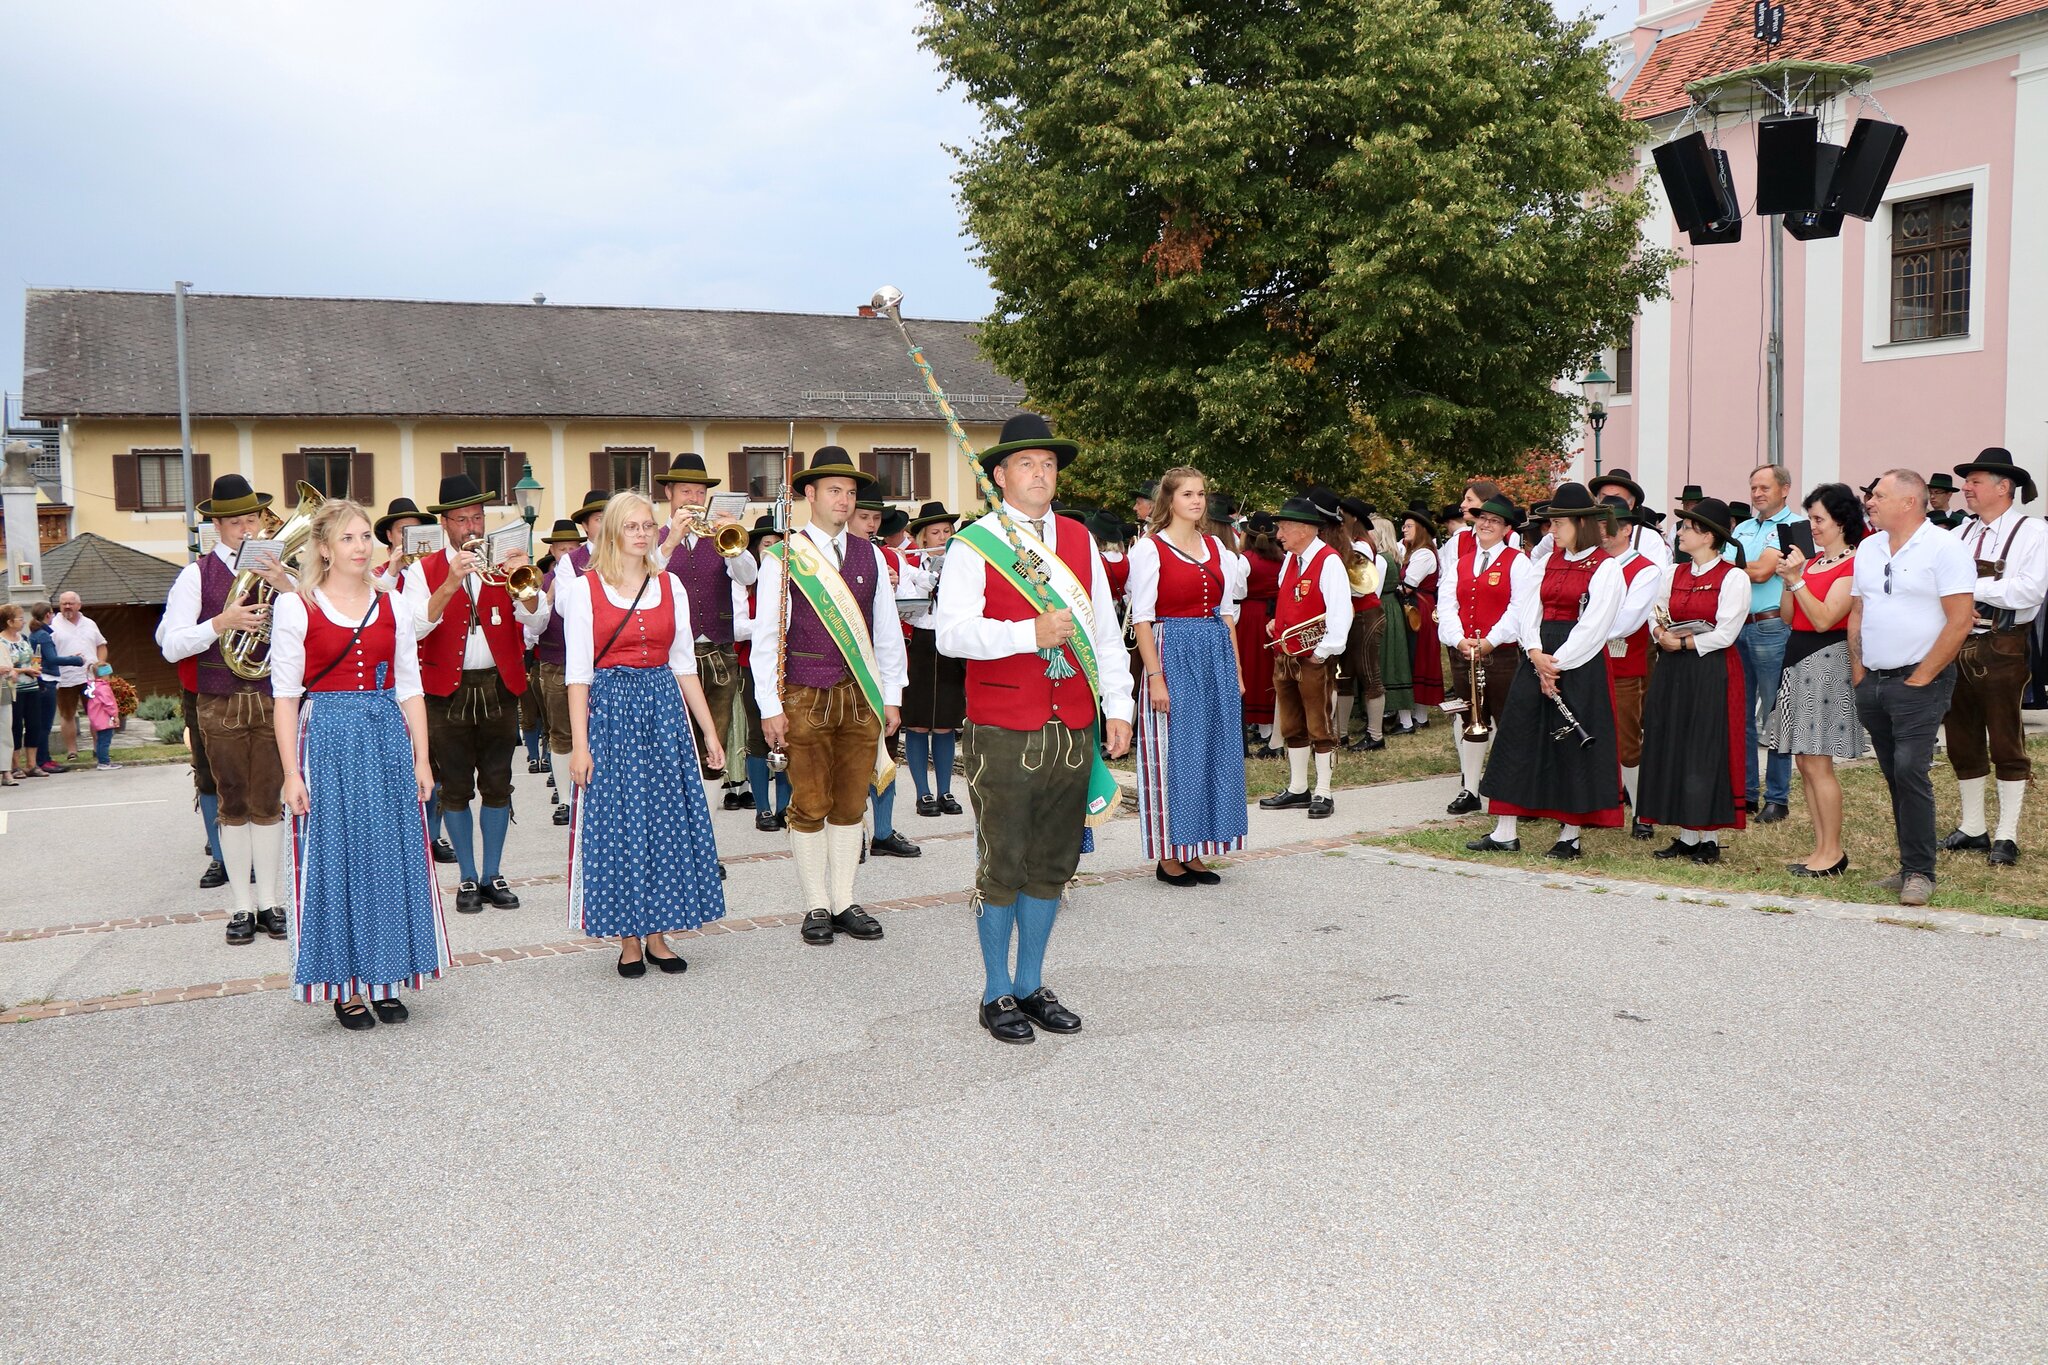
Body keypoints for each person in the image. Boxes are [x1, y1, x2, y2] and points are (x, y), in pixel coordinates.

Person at [934, 413, 1133, 1044]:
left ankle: (1031, 984)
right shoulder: (975, 543)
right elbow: (951, 633)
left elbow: (1104, 629)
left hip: (1072, 721)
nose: (1040, 473)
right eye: (1026, 463)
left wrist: (1119, 706)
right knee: (1004, 864)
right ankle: (996, 992)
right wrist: (1027, 633)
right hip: (1004, 725)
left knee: (1052, 863)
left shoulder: (1077, 540)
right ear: (1000, 476)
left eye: (1047, 464)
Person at [269, 498, 448, 1030]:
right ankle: (345, 987)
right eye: (348, 538)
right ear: (323, 549)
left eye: (366, 536)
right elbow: (284, 696)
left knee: (390, 858)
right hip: (326, 737)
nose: (360, 546)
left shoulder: (392, 603)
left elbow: (410, 687)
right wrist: (291, 773)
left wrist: (422, 757)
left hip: (386, 735)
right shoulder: (297, 606)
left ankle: (386, 975)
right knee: (337, 860)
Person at [562, 493, 728, 976]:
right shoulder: (584, 588)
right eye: (631, 525)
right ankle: (628, 939)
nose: (641, 533)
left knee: (664, 822)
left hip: (662, 711)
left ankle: (659, 933)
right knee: (619, 826)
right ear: (612, 531)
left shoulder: (670, 584)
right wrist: (580, 745)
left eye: (648, 525)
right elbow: (578, 675)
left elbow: (684, 666)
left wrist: (710, 733)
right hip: (611, 714)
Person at [750, 447, 907, 947]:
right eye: (834, 491)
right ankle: (815, 903)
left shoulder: (872, 555)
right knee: (810, 801)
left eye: (851, 492)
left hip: (861, 696)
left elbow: (885, 632)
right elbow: (767, 639)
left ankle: (843, 900)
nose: (844, 500)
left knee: (849, 801)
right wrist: (770, 706)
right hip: (803, 695)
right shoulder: (783, 557)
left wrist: (892, 696)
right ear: (810, 495)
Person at [399, 473, 548, 914]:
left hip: (500, 687)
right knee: (456, 788)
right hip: (446, 691)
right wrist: (449, 581)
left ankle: (492, 874)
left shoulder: (505, 564)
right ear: (445, 524)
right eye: (462, 519)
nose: (472, 527)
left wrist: (528, 582)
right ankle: (466, 876)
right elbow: (415, 628)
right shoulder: (420, 572)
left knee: (499, 784)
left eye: (478, 517)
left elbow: (536, 625)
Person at [159, 475, 296, 945]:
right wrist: (221, 622)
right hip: (219, 703)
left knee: (270, 802)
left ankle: (271, 902)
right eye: (235, 522)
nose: (245, 529)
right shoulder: (196, 574)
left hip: (272, 699)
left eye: (252, 519)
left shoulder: (281, 570)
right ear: (217, 526)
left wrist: (288, 587)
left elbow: (315, 629)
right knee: (233, 803)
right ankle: (241, 904)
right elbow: (170, 644)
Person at [1468, 483, 1626, 859]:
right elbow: (1527, 609)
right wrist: (1536, 652)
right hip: (1538, 656)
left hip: (1579, 664)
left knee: (1570, 745)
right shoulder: (1547, 561)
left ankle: (1569, 834)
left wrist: (1557, 663)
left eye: (1558, 523)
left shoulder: (1606, 569)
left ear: (1581, 523)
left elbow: (1595, 626)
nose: (1551, 531)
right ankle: (1505, 830)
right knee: (1519, 737)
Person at [1849, 470, 1977, 908]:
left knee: (1909, 768)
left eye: (1879, 495)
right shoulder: (1868, 548)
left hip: (1921, 680)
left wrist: (1922, 676)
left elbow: (1961, 620)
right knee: (1893, 772)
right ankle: (1909, 865)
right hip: (1874, 680)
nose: (1870, 501)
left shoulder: (1944, 548)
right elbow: (1858, 610)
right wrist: (1858, 670)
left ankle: (1921, 872)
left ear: (1909, 501)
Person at [1130, 466, 1248, 886]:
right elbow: (1142, 619)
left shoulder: (1217, 547)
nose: (1196, 501)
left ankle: (1197, 848)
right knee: (1174, 753)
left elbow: (1228, 613)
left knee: (1212, 749)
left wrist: (1235, 669)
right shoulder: (1150, 549)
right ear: (1170, 500)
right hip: (1171, 650)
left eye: (1200, 494)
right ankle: (1169, 854)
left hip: (1215, 651)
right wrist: (1155, 677)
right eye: (1187, 494)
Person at [1936, 448, 2048, 866]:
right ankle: (1973, 827)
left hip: (2004, 644)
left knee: (2005, 738)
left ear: (2004, 488)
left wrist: (1969, 593)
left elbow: (2029, 590)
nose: (1966, 487)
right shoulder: (1958, 534)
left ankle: (2007, 834)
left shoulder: (2032, 532)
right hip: (1957, 643)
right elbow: (1936, 581)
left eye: (1975, 481)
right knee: (1961, 737)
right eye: (1967, 481)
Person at [1637, 498, 1751, 863]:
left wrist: (1681, 641)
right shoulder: (1672, 573)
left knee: (1707, 746)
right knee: (1677, 743)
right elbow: (1656, 613)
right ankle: (1687, 836)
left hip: (1710, 669)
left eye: (1687, 527)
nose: (1681, 532)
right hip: (1673, 669)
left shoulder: (1733, 577)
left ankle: (1710, 838)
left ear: (1708, 535)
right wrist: (1660, 634)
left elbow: (1726, 633)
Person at [1763, 483, 1868, 878]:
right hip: (1798, 659)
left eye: (1818, 519)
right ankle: (1820, 848)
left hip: (1826, 661)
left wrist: (1798, 581)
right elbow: (1790, 616)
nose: (1813, 527)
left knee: (1819, 762)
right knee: (1805, 762)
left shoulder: (1852, 564)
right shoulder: (1811, 564)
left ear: (1842, 520)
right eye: (1811, 519)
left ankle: (1834, 852)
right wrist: (1792, 578)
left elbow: (1826, 618)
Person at [656, 454, 758, 787]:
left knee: (716, 748)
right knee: (673, 747)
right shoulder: (652, 539)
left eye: (700, 493)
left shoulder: (717, 537)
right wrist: (670, 542)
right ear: (669, 493)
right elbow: (644, 579)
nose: (694, 500)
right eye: (686, 491)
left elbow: (748, 576)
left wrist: (732, 542)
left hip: (719, 652)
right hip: (669, 658)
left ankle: (708, 829)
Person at [1256, 496, 1355, 818]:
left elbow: (1341, 612)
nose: (1279, 535)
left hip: (1313, 657)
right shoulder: (1291, 560)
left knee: (1319, 722)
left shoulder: (1328, 561)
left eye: (1284, 528)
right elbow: (1292, 601)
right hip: (1286, 654)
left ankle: (1324, 790)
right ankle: (1299, 787)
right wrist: (1277, 622)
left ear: (1304, 529)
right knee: (1292, 723)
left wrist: (1323, 651)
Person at [1439, 496, 1533, 816]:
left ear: (1507, 528)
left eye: (1495, 520)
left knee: (1506, 721)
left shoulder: (1517, 562)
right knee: (1471, 721)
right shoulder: (1460, 562)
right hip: (1465, 653)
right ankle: (1471, 789)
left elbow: (1519, 609)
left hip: (1502, 656)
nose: (1486, 524)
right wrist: (1458, 639)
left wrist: (1492, 640)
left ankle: (1513, 789)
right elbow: (1447, 605)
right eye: (1482, 518)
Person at [1728, 465, 1803, 824]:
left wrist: (1733, 569)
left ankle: (1777, 797)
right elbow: (1749, 569)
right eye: (1753, 486)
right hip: (1738, 626)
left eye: (1764, 487)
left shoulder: (1793, 526)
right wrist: (1745, 567)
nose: (1757, 493)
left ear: (1785, 489)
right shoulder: (1743, 527)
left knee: (1776, 714)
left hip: (1772, 626)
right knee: (1740, 713)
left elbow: (1759, 573)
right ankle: (1745, 793)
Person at [851, 497, 919, 859]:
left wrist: (895, 586)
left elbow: (909, 606)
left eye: (876, 518)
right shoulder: (826, 559)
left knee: (887, 754)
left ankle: (883, 831)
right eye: (864, 517)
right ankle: (852, 833)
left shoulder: (889, 556)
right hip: (847, 670)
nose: (872, 524)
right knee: (850, 757)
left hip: (882, 666)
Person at [899, 500, 967, 818]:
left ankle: (945, 790)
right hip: (921, 643)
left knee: (945, 724)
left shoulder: (961, 565)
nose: (941, 537)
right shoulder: (910, 566)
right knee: (917, 723)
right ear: (922, 538)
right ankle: (923, 794)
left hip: (950, 645)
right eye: (935, 532)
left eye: (946, 531)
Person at [734, 514, 792, 832]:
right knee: (759, 737)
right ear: (757, 550)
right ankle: (763, 809)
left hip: (791, 666)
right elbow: (739, 627)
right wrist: (770, 624)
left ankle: (785, 807)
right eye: (767, 545)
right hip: (752, 665)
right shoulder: (746, 584)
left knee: (789, 737)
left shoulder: (794, 580)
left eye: (778, 545)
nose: (773, 550)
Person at [529, 519, 587, 827]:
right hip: (555, 663)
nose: (567, 553)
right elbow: (533, 631)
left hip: (589, 664)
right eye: (561, 549)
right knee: (560, 734)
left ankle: (588, 794)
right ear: (552, 550)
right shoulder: (540, 581)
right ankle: (565, 799)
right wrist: (548, 597)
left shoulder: (592, 572)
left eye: (572, 548)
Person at [1331, 495, 1386, 751]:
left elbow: (1361, 587)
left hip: (1365, 613)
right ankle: (1339, 734)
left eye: (1343, 515)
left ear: (1351, 518)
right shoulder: (1353, 543)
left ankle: (1375, 735)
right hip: (1354, 614)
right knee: (1344, 674)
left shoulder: (1361, 546)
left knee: (1368, 673)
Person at [1236, 511, 1283, 755]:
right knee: (1269, 668)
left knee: (1252, 667)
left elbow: (1239, 591)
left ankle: (1261, 727)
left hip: (1251, 616)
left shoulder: (1245, 560)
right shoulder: (1284, 559)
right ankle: (1268, 729)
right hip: (1276, 617)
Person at [1396, 507, 1444, 726]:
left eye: (1408, 526)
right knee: (1414, 655)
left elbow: (1407, 586)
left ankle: (1421, 715)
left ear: (1421, 529)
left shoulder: (1424, 553)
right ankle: (1415, 713)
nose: (1404, 530)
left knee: (1419, 654)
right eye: (1403, 526)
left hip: (1420, 607)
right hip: (1417, 605)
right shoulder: (1414, 552)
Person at [49, 592, 108, 762]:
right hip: (66, 677)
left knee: (95, 713)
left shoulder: (89, 623)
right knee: (67, 714)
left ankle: (98, 749)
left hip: (90, 676)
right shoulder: (53, 625)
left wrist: (101, 663)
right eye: (63, 603)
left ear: (79, 605)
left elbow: (101, 645)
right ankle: (72, 751)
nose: (67, 606)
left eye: (71, 603)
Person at [1588, 469, 1672, 567]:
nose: (1609, 503)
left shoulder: (1649, 538)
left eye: (1616, 498)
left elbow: (1658, 577)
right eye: (1604, 498)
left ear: (1631, 504)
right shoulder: (1589, 534)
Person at [1, 604, 32, 783]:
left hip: (4, 692)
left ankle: (6, 771)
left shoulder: (2, 647)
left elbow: (11, 668)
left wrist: (12, 673)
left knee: (6, 731)